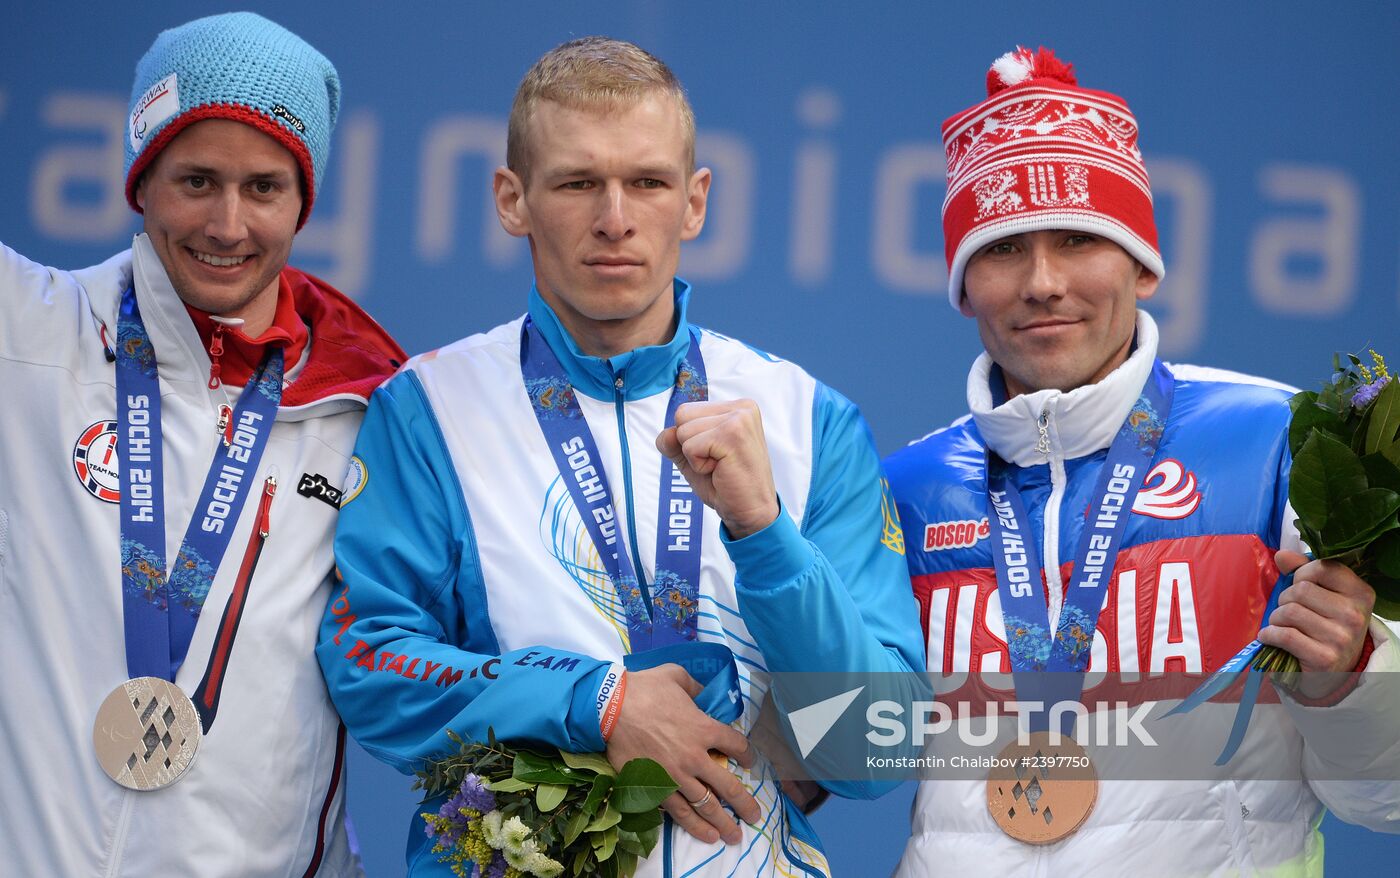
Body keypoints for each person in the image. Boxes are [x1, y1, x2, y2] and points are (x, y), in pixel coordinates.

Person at [318, 36, 924, 877]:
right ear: (511, 199)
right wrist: (593, 702)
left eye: (648, 182)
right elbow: (368, 665)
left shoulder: (808, 419)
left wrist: (765, 532)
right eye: (577, 183)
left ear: (695, 201)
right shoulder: (429, 410)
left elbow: (872, 749)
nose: (615, 218)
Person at [884, 46, 1400, 875]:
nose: (1043, 282)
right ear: (962, 281)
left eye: (1080, 238)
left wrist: (1349, 678)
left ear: (1143, 263)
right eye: (1004, 248)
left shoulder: (1282, 441)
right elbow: (834, 751)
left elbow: (1387, 798)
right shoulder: (907, 488)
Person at [0, 13, 403, 876]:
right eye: (196, 180)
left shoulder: (371, 413)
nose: (227, 224)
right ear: (139, 182)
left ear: (304, 203)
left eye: (264, 188)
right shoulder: (26, 338)